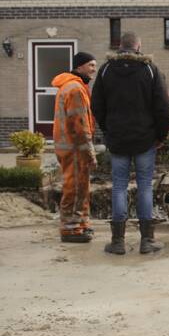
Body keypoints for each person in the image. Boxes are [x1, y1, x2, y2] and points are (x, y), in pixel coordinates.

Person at [91, 32, 169, 255]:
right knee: (144, 185)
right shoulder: (149, 70)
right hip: (145, 139)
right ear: (138, 47)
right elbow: (163, 107)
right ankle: (147, 240)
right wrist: (160, 135)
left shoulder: (106, 70)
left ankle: (118, 242)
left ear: (120, 47)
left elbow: (96, 104)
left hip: (117, 139)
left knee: (119, 186)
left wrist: (108, 129)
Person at [52, 51, 98, 243]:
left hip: (68, 147)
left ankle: (80, 225)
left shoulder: (70, 86)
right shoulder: (76, 90)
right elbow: (80, 125)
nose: (93, 70)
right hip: (75, 148)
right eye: (91, 66)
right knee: (75, 188)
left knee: (80, 187)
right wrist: (90, 151)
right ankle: (70, 229)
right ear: (80, 67)